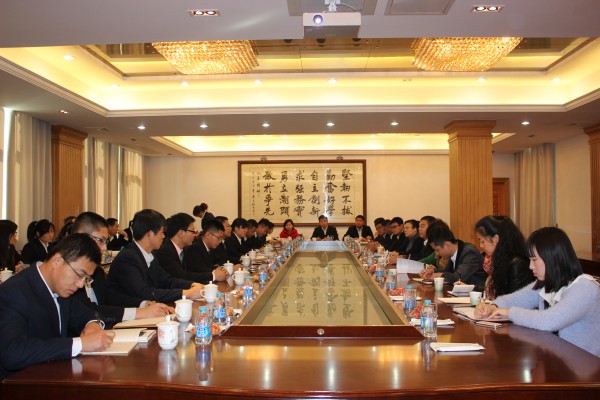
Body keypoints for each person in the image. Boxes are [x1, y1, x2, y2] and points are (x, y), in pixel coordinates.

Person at [0, 234, 116, 379]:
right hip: (20, 384)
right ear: (57, 261)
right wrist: (80, 344)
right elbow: (12, 353)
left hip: (56, 377)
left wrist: (93, 325)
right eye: (80, 275)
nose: (80, 284)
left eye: (86, 279)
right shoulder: (14, 292)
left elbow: (87, 313)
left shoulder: (60, 288)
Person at [475, 227, 600, 357]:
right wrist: (492, 307)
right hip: (555, 358)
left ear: (552, 258)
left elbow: (549, 321)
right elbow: (515, 299)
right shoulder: (548, 283)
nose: (530, 266)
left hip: (585, 365)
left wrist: (509, 312)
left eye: (534, 260)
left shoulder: (585, 289)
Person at [71, 212, 172, 326]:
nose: (105, 248)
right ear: (80, 236)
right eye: (101, 240)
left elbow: (112, 298)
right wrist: (139, 313)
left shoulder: (97, 272)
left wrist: (145, 304)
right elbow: (88, 310)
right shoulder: (69, 273)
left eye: (106, 241)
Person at [106, 209, 204, 306]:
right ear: (149, 234)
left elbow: (166, 280)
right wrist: (187, 293)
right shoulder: (128, 257)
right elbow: (145, 293)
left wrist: (191, 285)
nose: (163, 236)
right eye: (162, 232)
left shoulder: (150, 253)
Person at [474, 215, 535, 299]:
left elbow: (513, 300)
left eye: (482, 241)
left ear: (495, 239)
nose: (481, 246)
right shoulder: (499, 260)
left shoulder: (517, 264)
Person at [419, 224, 486, 288]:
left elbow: (458, 277)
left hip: (477, 293)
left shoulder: (469, 252)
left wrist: (439, 275)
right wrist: (432, 271)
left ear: (447, 245)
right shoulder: (454, 252)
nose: (436, 253)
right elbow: (447, 271)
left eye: (437, 250)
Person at [154, 212, 211, 283]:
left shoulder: (185, 249)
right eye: (192, 231)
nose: (194, 235)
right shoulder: (165, 251)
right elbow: (182, 276)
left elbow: (194, 270)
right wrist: (213, 275)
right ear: (181, 233)